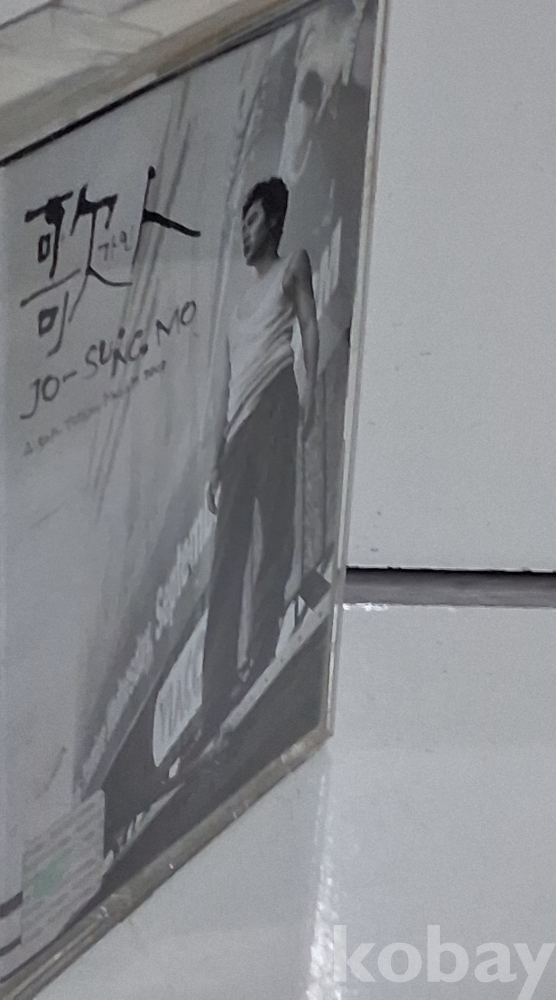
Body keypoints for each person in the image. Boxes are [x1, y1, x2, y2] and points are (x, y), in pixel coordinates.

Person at [201, 177, 319, 741]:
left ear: (272, 220)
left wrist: (310, 390)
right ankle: (213, 699)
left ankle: (262, 651)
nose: (243, 233)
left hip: (275, 401)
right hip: (238, 431)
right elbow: (221, 393)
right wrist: (213, 464)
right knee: (226, 563)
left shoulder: (292, 265)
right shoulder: (235, 311)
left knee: (275, 533)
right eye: (240, 224)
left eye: (251, 221)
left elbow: (310, 325)